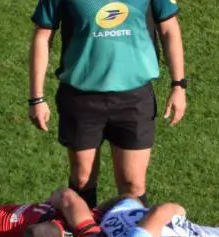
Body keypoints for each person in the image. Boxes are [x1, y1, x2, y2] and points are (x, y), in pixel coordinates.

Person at [28, 0, 186, 206]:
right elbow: (43, 35)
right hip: (82, 99)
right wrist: (36, 97)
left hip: (133, 99)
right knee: (82, 179)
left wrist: (178, 85)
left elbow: (169, 29)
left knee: (134, 185)